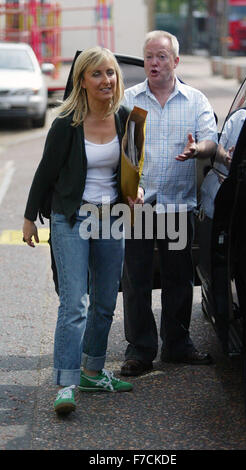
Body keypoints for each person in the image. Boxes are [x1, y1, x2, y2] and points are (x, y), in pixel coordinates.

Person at [22, 46, 136, 415]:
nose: (107, 80)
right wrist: (28, 219)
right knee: (75, 304)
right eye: (98, 74)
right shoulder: (66, 124)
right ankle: (66, 384)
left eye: (111, 73)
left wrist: (136, 194)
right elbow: (44, 174)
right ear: (82, 81)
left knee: (105, 302)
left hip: (112, 218)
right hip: (71, 218)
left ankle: (93, 371)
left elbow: (133, 173)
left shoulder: (127, 119)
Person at [120, 31, 218, 377]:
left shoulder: (194, 100)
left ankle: (177, 344)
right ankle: (140, 350)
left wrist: (198, 150)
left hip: (177, 206)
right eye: (148, 57)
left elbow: (210, 139)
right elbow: (118, 150)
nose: (154, 63)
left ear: (175, 61)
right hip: (139, 206)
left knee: (178, 278)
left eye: (161, 56)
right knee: (137, 280)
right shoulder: (129, 100)